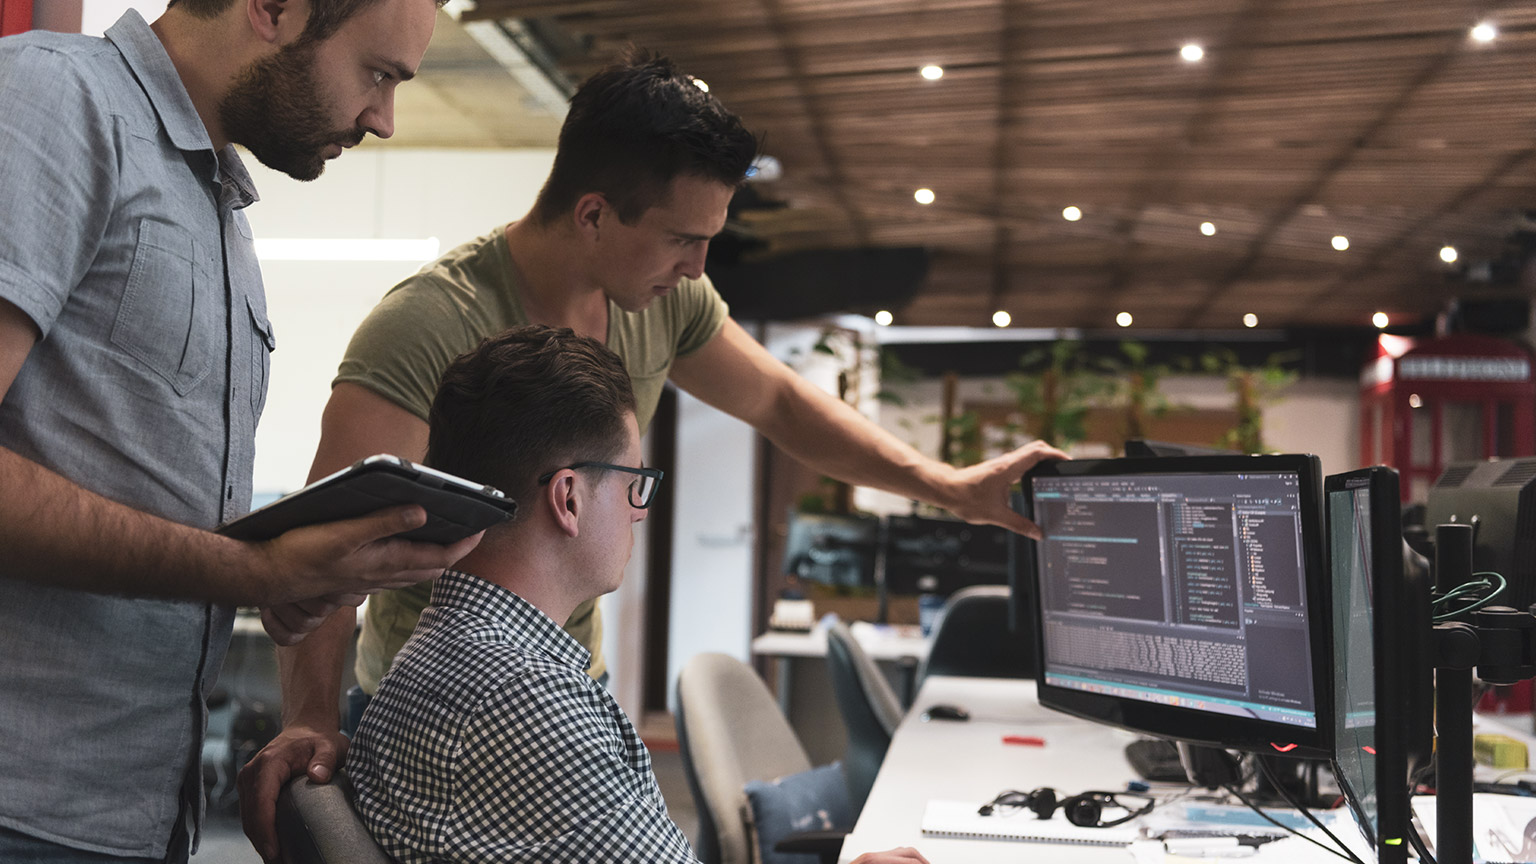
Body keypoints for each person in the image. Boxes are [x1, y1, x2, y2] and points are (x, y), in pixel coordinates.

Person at [239, 50, 1067, 861]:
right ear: (594, 214)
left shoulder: (663, 297)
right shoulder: (429, 326)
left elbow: (777, 401)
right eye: (681, 237)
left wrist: (946, 486)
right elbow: (333, 552)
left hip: (560, 679)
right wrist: (309, 719)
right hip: (465, 700)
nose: (699, 265)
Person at [0, 0, 472, 859]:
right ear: (273, 9)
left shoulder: (218, 210)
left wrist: (293, 572)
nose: (384, 119)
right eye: (376, 73)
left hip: (135, 810)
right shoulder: (52, 101)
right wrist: (247, 568)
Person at [347, 325, 927, 864]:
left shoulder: (444, 649)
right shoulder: (524, 697)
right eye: (635, 484)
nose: (639, 514)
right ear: (569, 499)